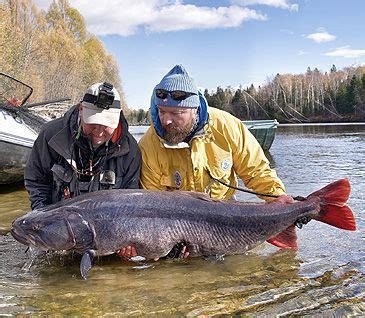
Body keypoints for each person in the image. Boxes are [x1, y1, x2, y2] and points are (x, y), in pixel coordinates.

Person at [118, 65, 292, 260]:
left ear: (194, 109)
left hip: (225, 214)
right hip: (176, 223)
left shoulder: (228, 126)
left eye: (176, 114)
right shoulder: (149, 146)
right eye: (162, 112)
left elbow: (256, 171)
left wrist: (279, 198)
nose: (166, 120)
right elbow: (151, 208)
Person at [25, 82, 141, 210]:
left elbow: (130, 201)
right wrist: (43, 217)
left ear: (118, 117)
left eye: (107, 125)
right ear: (81, 109)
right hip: (59, 222)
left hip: (105, 223)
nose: (99, 132)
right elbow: (36, 182)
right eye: (93, 123)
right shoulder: (51, 135)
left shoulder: (130, 149)